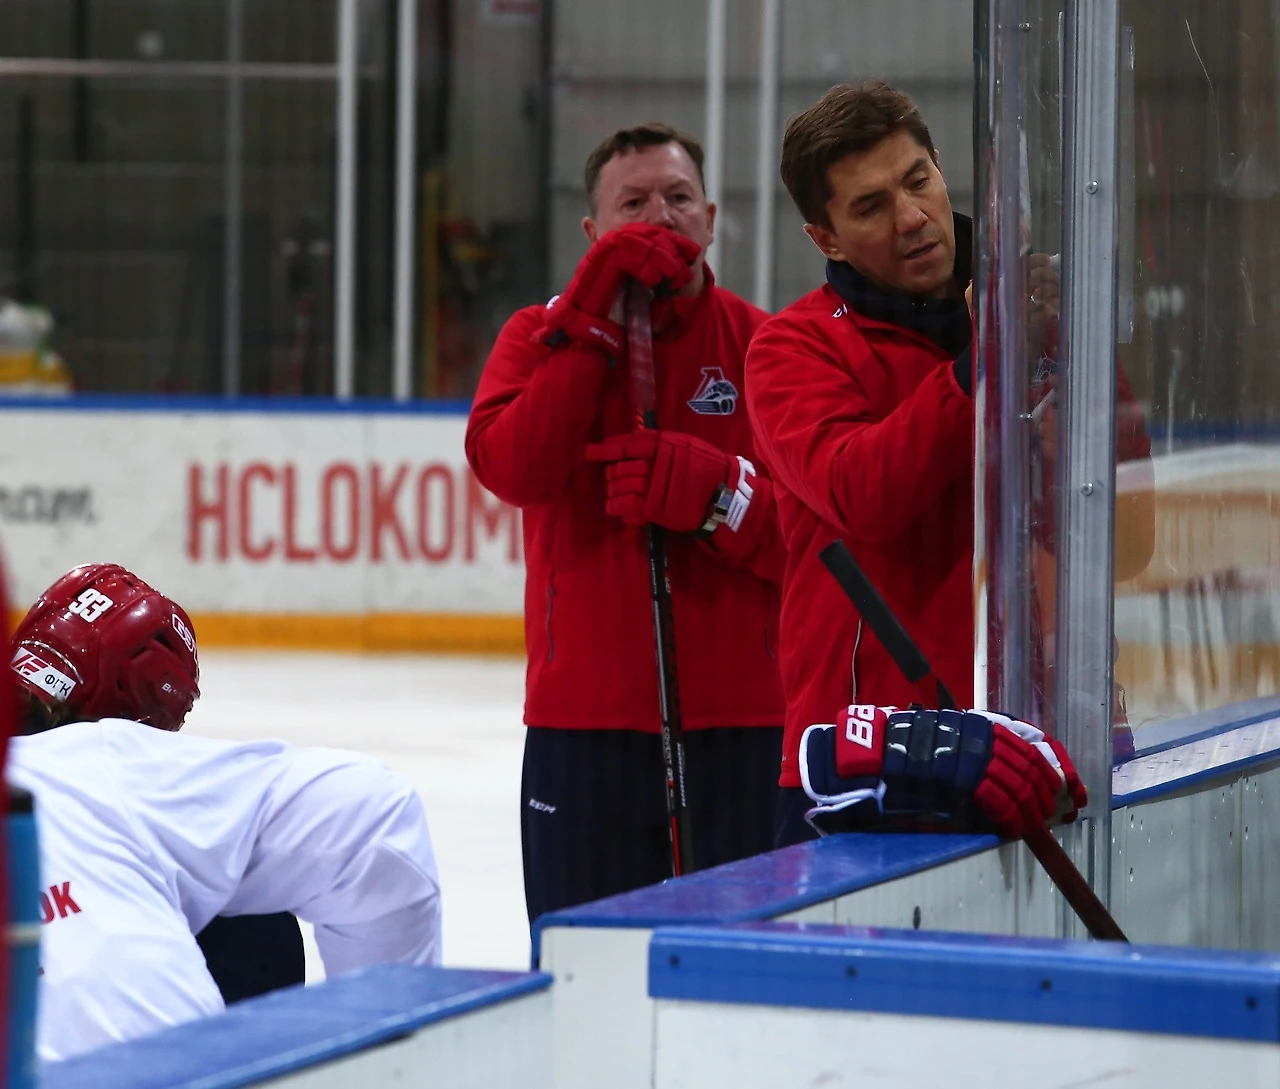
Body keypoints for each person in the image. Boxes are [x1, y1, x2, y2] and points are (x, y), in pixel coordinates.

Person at [744, 81, 1153, 849]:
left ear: (939, 169)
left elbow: (1128, 539)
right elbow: (865, 493)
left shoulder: (1046, 319)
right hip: (875, 761)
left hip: (1052, 735)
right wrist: (983, 361)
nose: (911, 218)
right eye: (869, 207)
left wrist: (1059, 358)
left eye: (917, 180)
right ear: (824, 238)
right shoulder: (791, 348)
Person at [466, 123, 786, 924]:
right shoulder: (534, 339)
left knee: (736, 977)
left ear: (710, 219)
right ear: (592, 233)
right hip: (584, 730)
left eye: (678, 199)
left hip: (742, 728)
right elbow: (514, 469)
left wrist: (721, 496)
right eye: (632, 203)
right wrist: (590, 326)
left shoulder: (765, 346)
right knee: (586, 977)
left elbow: (818, 541)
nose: (659, 218)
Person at [7, 563, 441, 1062]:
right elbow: (373, 815)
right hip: (148, 1067)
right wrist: (394, 1064)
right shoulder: (109, 762)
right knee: (246, 910)